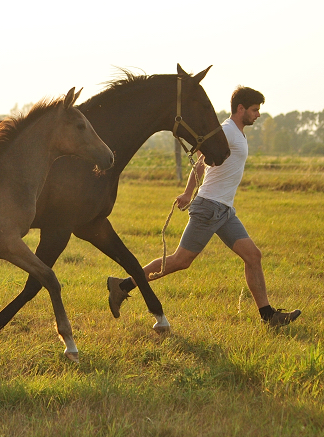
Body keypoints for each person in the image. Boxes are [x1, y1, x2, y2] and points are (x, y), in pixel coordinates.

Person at [107, 86, 301, 327]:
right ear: (240, 109)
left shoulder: (238, 133)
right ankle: (123, 285)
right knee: (179, 261)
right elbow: (201, 162)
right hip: (209, 206)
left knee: (253, 256)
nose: (258, 114)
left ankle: (269, 316)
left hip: (225, 211)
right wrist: (189, 192)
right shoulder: (227, 131)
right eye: (254, 109)